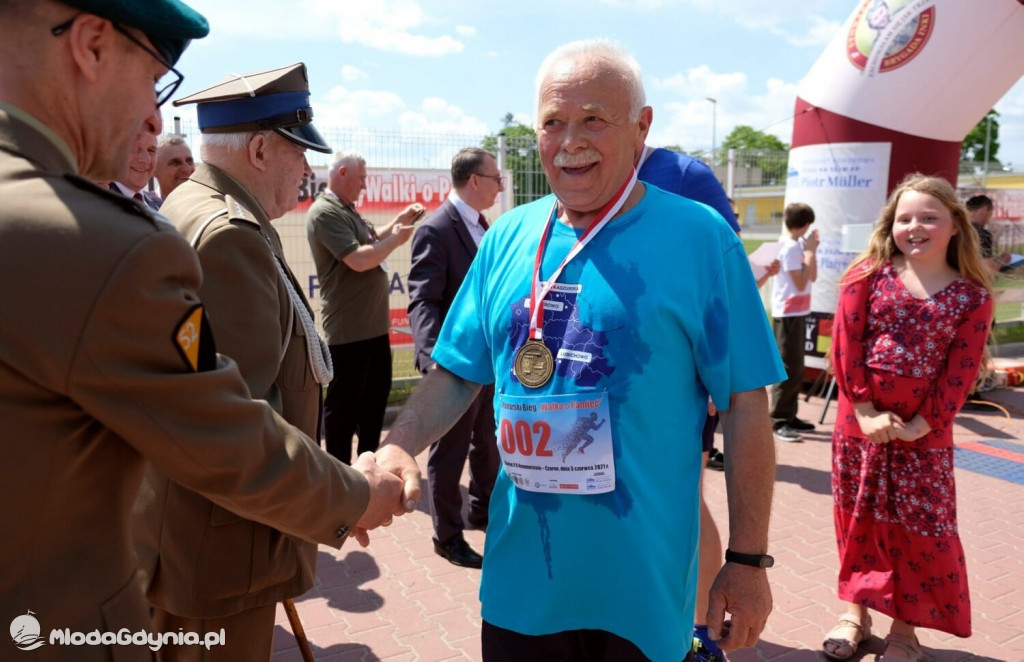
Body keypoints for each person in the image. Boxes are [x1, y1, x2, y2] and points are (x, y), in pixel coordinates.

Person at [0, 1, 408, 655]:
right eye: (153, 82)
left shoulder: (169, 210)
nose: (156, 117)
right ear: (92, 46)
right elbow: (227, 434)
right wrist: (357, 496)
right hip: (205, 562)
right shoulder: (102, 236)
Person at [373, 39, 784, 661]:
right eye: (552, 123)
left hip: (641, 589)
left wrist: (748, 562)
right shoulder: (509, 235)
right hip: (522, 584)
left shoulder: (701, 242)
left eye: (594, 119)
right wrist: (398, 443)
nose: (570, 141)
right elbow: (458, 372)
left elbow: (746, 405)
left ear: (642, 127)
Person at [133, 63, 338, 661]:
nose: (305, 170)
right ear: (257, 149)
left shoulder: (191, 205)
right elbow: (235, 426)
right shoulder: (231, 234)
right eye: (298, 153)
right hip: (224, 553)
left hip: (189, 537)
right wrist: (343, 498)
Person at [823, 174, 992, 662]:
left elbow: (962, 368)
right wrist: (865, 408)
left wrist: (927, 423)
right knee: (860, 522)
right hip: (860, 429)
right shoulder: (867, 275)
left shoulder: (972, 297)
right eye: (904, 218)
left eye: (929, 217)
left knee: (921, 529)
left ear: (956, 225)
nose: (915, 226)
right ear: (890, 225)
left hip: (925, 437)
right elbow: (846, 345)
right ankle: (854, 612)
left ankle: (905, 628)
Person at [637, 150, 776, 662]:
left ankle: (700, 627)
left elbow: (729, 271)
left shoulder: (681, 173)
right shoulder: (579, 181)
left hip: (679, 381)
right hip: (602, 385)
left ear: (639, 118)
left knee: (683, 501)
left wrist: (718, 370)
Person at [408, 147, 502, 569]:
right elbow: (423, 300)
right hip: (455, 366)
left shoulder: (485, 227)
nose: (500, 186)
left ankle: (483, 511)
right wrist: (432, 360)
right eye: (495, 178)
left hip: (489, 362)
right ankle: (447, 536)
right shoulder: (436, 228)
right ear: (475, 181)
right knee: (450, 453)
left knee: (488, 443)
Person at [306, 151, 424, 464]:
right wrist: (396, 241)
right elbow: (359, 259)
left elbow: (371, 238)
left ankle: (367, 466)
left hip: (372, 328)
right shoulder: (324, 212)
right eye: (361, 178)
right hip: (348, 331)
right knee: (343, 409)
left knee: (373, 403)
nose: (364, 185)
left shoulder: (345, 209)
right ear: (342, 173)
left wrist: (400, 221)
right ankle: (339, 471)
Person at [769, 202, 819, 442]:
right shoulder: (789, 248)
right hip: (787, 314)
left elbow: (813, 276)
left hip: (798, 312)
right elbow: (800, 282)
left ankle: (790, 415)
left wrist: (812, 251)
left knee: (797, 365)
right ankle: (778, 419)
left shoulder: (798, 247)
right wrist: (809, 252)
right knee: (787, 367)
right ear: (806, 224)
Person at [110, 119, 162, 210]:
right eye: (135, 148)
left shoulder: (160, 206)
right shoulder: (96, 203)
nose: (146, 159)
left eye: (151, 150)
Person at [965, 194, 1011, 274]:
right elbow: (987, 270)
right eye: (990, 213)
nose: (989, 218)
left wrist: (995, 261)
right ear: (984, 209)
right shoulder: (981, 234)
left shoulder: (955, 228)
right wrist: (1003, 260)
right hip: (968, 283)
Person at [155, 133, 195, 198]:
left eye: (189, 162)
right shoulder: (142, 205)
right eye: (175, 163)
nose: (186, 169)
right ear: (154, 169)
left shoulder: (210, 205)